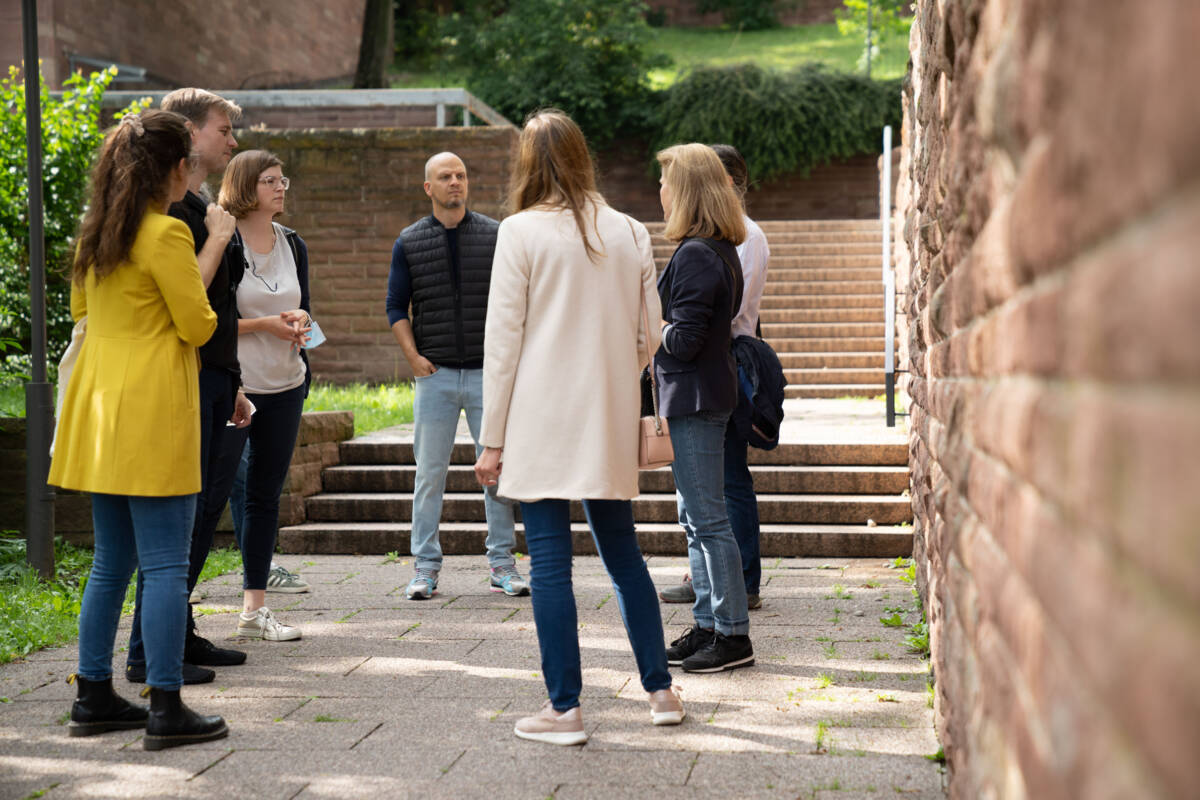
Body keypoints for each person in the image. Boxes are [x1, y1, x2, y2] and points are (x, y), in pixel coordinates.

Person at [474, 109, 683, 746]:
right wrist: (607, 374)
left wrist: (491, 439)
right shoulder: (627, 229)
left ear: (527, 163)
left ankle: (565, 709)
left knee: (550, 566)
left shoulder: (519, 232)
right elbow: (651, 333)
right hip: (606, 418)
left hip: (538, 419)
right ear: (583, 157)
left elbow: (502, 344)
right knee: (624, 557)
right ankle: (661, 690)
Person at [49, 109, 228, 750]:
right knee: (165, 565)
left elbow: (81, 314)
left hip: (99, 410)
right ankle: (165, 706)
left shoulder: (96, 237)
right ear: (176, 169)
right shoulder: (166, 236)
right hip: (153, 411)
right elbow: (198, 325)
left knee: (110, 563)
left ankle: (92, 693)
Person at [122, 88, 251, 686]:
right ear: (189, 135)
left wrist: (236, 381)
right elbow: (189, 303)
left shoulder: (196, 203)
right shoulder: (173, 213)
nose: (232, 141)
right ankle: (151, 653)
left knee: (200, 516)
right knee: (181, 520)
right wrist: (219, 236)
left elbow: (219, 308)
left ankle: (178, 632)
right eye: (224, 130)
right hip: (186, 377)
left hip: (216, 375)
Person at [385, 151, 525, 601]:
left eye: (461, 175)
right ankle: (424, 567)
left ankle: (502, 564)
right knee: (429, 474)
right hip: (436, 376)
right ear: (429, 187)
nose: (454, 182)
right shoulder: (408, 241)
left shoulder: (496, 235)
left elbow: (515, 302)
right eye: (445, 177)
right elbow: (394, 307)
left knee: (497, 472)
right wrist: (412, 357)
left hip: (489, 375)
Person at [655, 143, 755, 673]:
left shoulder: (697, 252)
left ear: (687, 191)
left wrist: (648, 323)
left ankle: (733, 636)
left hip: (696, 397)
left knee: (709, 521)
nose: (661, 191)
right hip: (699, 394)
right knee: (696, 520)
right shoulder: (716, 248)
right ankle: (708, 624)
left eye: (666, 181)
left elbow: (687, 339)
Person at [216, 150, 311, 641]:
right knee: (215, 494)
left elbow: (303, 308)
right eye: (270, 181)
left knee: (265, 498)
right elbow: (210, 323)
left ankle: (254, 610)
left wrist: (301, 323)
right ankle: (179, 611)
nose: (280, 188)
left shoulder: (293, 243)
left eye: (282, 179)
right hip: (238, 389)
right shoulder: (224, 243)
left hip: (287, 384)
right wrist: (265, 325)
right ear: (245, 187)